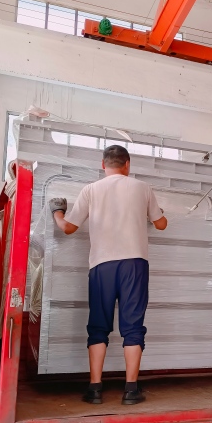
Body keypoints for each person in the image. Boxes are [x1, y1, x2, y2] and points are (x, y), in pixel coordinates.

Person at [49, 145, 167, 405]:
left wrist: (57, 213)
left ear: (103, 165)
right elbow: (161, 224)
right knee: (133, 326)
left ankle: (94, 388)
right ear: (128, 164)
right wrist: (155, 216)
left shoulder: (90, 190)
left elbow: (68, 228)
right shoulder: (143, 188)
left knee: (98, 326)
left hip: (101, 265)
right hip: (134, 263)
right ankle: (131, 390)